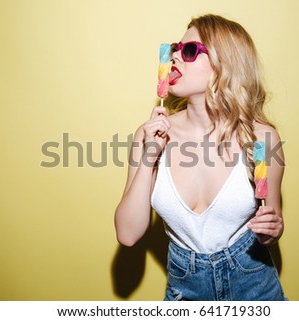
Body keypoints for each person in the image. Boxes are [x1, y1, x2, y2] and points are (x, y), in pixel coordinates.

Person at [115, 14, 286, 301]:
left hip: (256, 286)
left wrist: (273, 229)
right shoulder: (151, 135)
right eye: (176, 49)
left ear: (223, 66)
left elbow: (271, 221)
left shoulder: (261, 139)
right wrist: (148, 159)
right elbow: (128, 235)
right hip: (185, 291)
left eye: (190, 51)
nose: (176, 57)